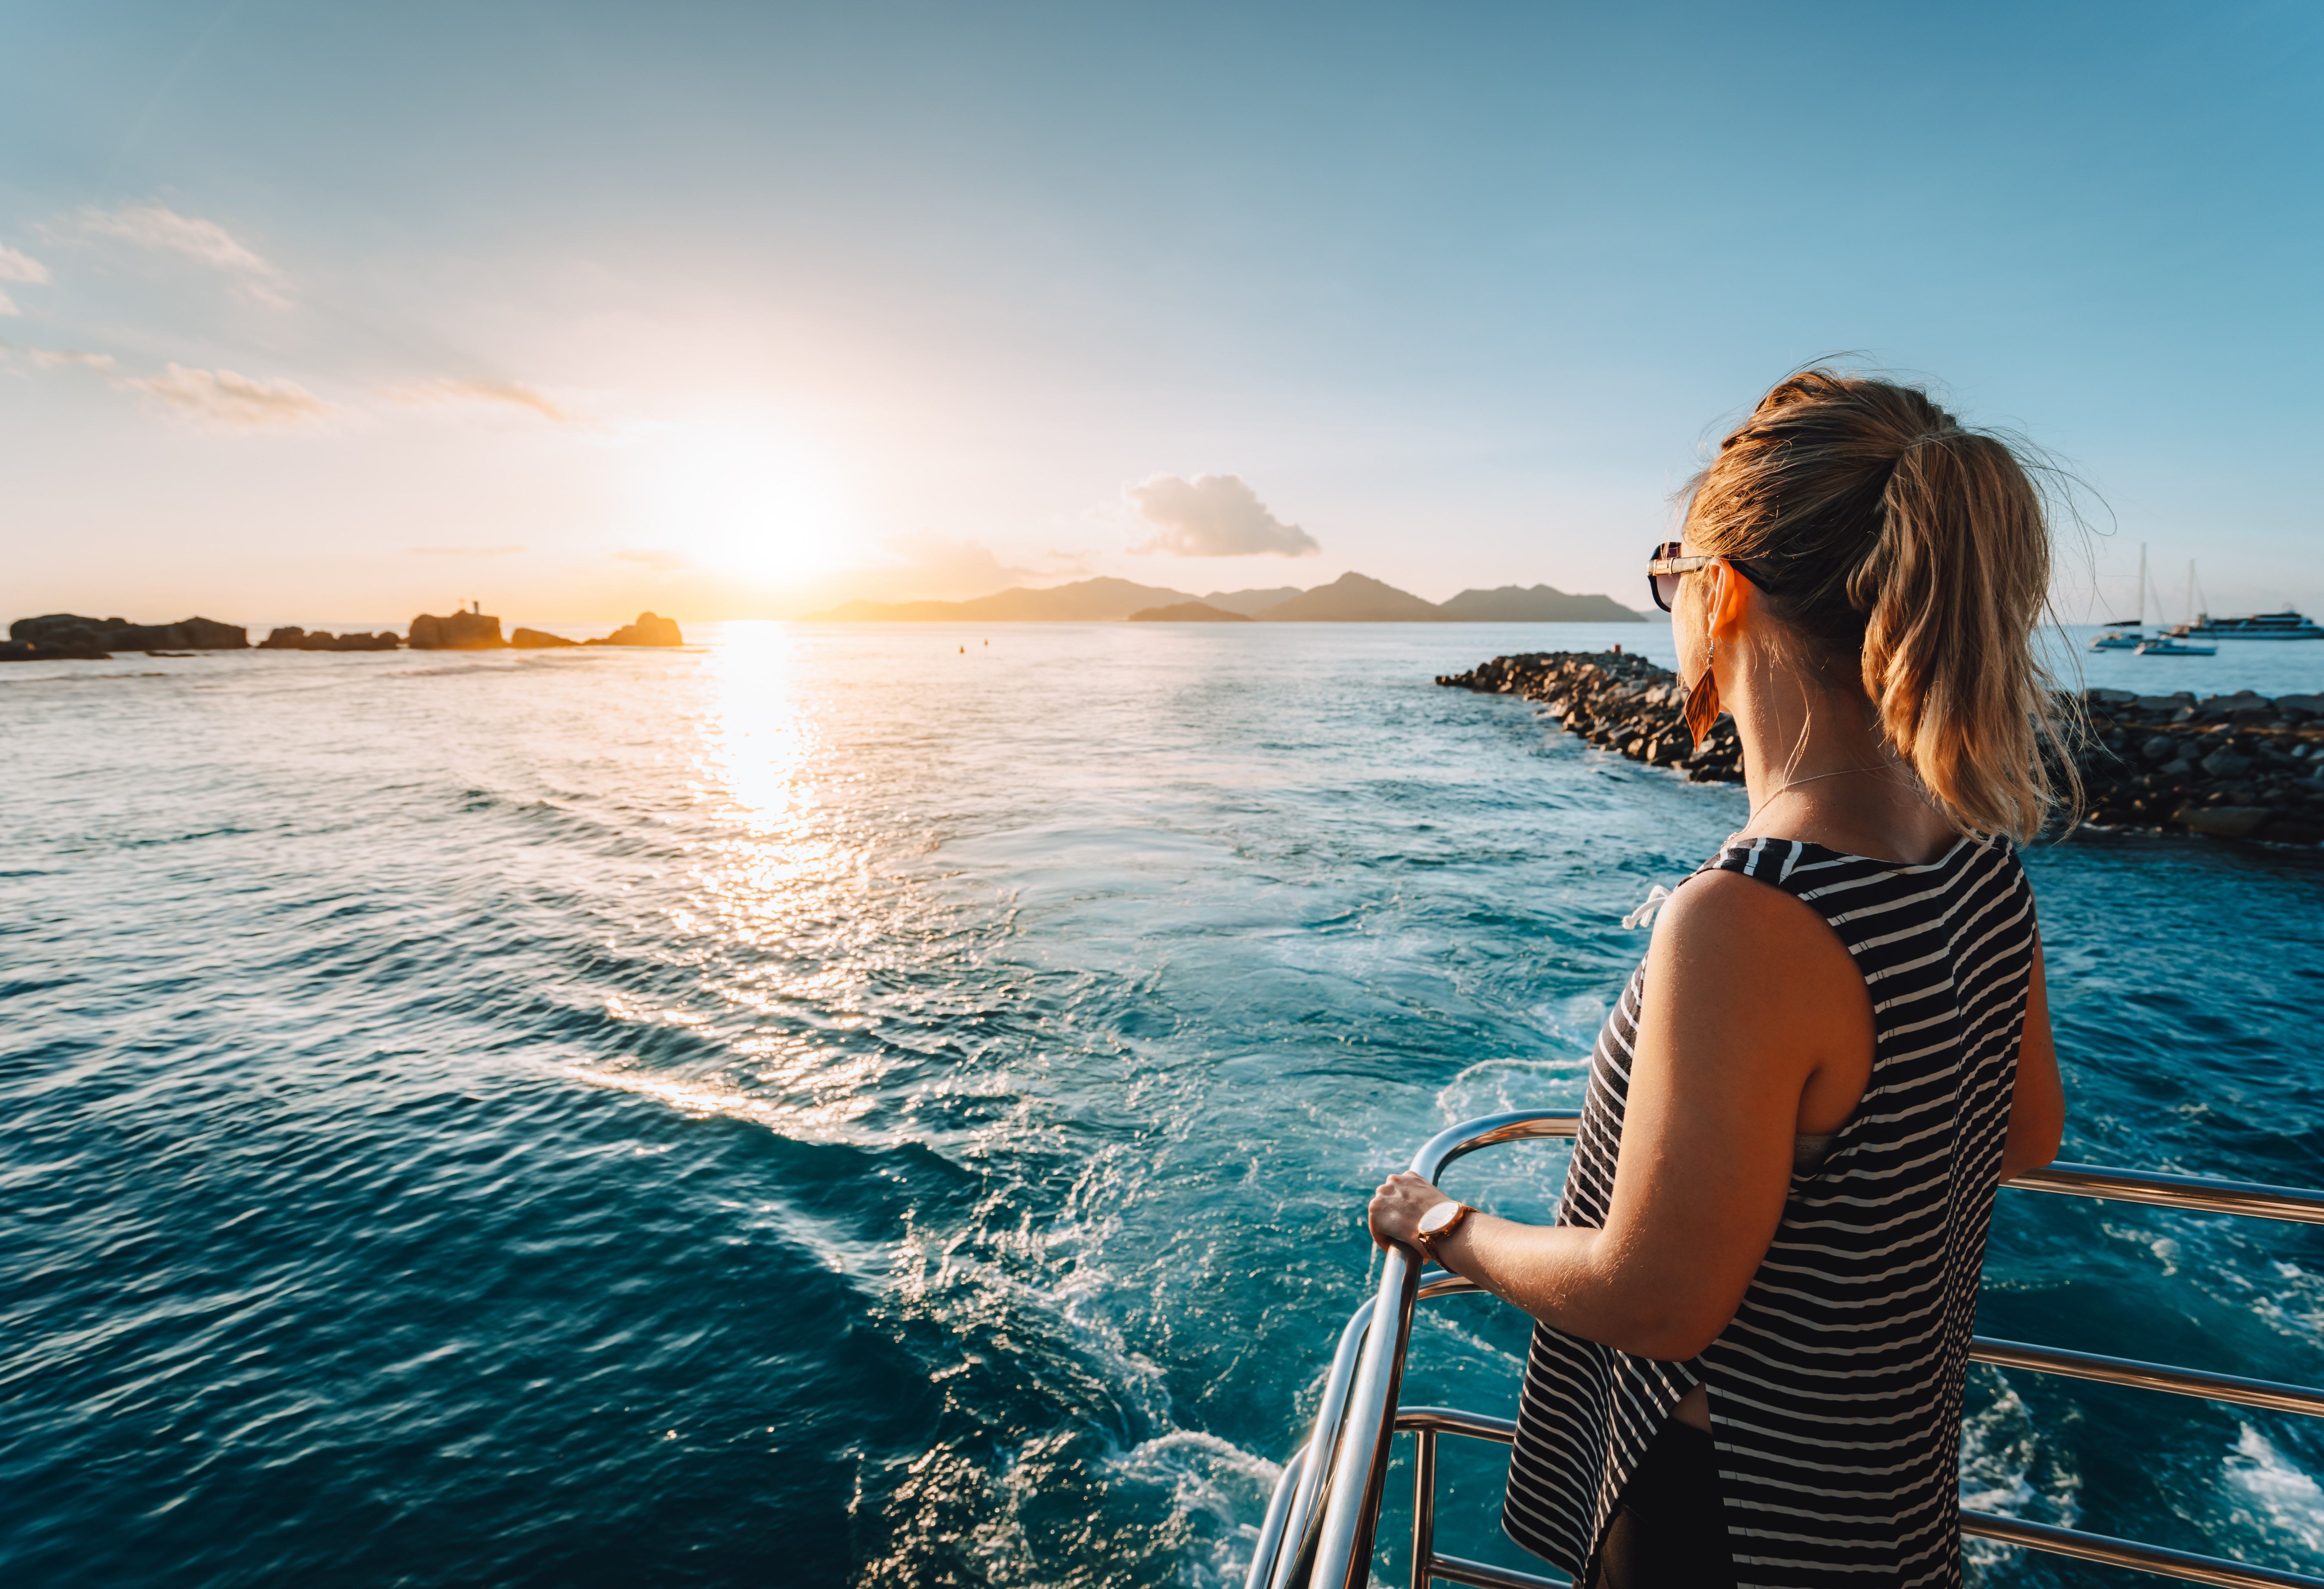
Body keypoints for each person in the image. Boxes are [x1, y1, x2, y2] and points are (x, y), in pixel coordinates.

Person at [1368, 370, 2071, 1589]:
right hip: (1887, 1504)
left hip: (1731, 1526)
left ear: (1726, 591)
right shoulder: (1978, 860)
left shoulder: (1754, 914)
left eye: (1671, 573)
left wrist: (1443, 1227)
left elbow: (1658, 1301)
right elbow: (2026, 1134)